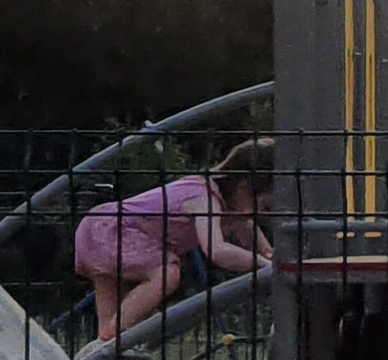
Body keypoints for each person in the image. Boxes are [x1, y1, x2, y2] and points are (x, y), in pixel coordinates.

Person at [71, 140, 272, 342]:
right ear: (243, 187)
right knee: (166, 273)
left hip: (100, 229)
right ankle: (117, 332)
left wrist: (270, 255)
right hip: (114, 230)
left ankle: (106, 342)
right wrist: (262, 263)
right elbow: (216, 249)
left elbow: (251, 234)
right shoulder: (203, 197)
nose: (263, 214)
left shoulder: (231, 207)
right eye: (265, 206)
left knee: (109, 323)